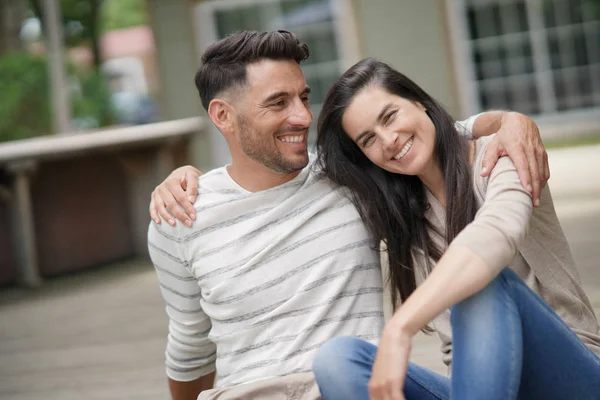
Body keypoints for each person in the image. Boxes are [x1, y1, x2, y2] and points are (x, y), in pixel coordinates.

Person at [147, 30, 549, 400]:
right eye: (278, 103)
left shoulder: (348, 179)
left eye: (303, 98)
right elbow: (189, 348)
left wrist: (509, 121)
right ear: (222, 116)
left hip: (345, 387)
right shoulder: (180, 214)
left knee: (338, 358)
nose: (303, 117)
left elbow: (426, 137)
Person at [310, 58, 600, 400]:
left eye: (390, 116)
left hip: (569, 375)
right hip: (474, 387)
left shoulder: (501, 153)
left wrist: (400, 327)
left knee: (481, 284)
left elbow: (495, 234)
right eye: (367, 139)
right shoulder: (403, 211)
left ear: (418, 102)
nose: (388, 140)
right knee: (338, 359)